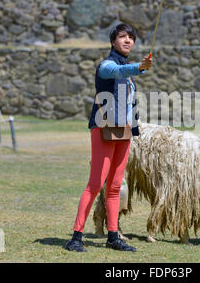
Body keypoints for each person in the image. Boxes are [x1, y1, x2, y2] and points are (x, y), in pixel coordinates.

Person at [65, 23, 152, 252]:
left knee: (115, 186)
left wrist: (137, 68)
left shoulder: (130, 71)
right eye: (122, 37)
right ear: (113, 41)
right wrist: (139, 67)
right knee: (95, 184)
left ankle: (113, 236)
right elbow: (117, 72)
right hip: (103, 128)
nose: (127, 41)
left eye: (131, 37)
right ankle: (76, 237)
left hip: (123, 130)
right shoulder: (107, 65)